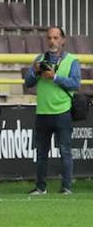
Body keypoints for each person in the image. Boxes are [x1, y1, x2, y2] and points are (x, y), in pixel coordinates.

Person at [24, 26, 82, 196]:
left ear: (63, 40)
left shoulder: (72, 60)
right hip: (42, 112)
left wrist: (54, 77)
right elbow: (27, 83)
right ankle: (41, 187)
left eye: (56, 38)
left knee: (65, 151)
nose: (52, 41)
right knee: (41, 153)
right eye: (49, 38)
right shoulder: (39, 59)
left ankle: (66, 187)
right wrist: (35, 72)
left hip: (62, 112)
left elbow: (75, 84)